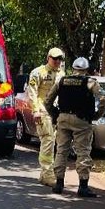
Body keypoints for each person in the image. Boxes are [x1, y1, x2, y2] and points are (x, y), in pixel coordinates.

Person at [45, 57, 105, 197]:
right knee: (83, 152)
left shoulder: (61, 81)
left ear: (73, 68)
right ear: (86, 69)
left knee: (61, 150)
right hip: (82, 121)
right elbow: (104, 100)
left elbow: (48, 101)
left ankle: (59, 184)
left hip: (63, 119)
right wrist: (96, 115)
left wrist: (55, 115)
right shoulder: (90, 82)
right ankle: (83, 186)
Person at [26, 47, 66, 187]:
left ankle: (45, 174)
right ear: (48, 58)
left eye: (60, 59)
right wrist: (35, 111)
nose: (57, 61)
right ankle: (48, 174)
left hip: (55, 112)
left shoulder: (62, 74)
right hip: (42, 111)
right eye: (54, 58)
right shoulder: (38, 72)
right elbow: (32, 92)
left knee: (53, 141)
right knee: (48, 140)